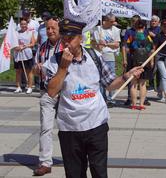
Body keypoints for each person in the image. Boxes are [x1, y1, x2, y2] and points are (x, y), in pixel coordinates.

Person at [44, 19, 143, 178]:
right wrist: (63, 68)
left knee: (99, 171)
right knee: (74, 173)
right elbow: (51, 91)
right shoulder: (54, 61)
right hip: (70, 128)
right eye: (64, 38)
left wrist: (127, 76)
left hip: (96, 124)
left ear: (81, 38)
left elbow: (110, 84)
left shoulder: (94, 56)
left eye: (71, 38)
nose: (67, 42)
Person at [33, 17, 63, 176]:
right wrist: (36, 69)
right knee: (45, 127)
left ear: (59, 29)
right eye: (47, 28)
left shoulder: (66, 45)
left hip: (65, 94)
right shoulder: (42, 47)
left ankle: (75, 157)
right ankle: (45, 162)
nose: (50, 31)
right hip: (47, 93)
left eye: (53, 28)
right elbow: (34, 67)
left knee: (69, 129)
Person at [122, 15, 151, 106]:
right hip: (136, 59)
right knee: (135, 81)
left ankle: (139, 102)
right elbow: (124, 46)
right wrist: (124, 59)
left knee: (139, 82)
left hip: (139, 59)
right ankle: (133, 100)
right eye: (134, 21)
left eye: (137, 21)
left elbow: (150, 47)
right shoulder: (130, 32)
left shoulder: (143, 32)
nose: (135, 23)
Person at [92, 14, 121, 105]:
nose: (114, 23)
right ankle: (102, 97)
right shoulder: (97, 29)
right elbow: (93, 43)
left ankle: (111, 98)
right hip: (100, 55)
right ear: (106, 20)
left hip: (110, 56)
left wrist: (106, 44)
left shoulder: (115, 30)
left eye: (114, 21)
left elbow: (116, 44)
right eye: (112, 21)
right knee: (100, 78)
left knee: (111, 78)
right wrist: (97, 44)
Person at [13, 18, 36, 94]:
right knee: (18, 71)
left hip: (27, 54)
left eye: (25, 24)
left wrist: (26, 46)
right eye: (22, 24)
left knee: (29, 71)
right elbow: (13, 44)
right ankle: (18, 87)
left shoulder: (30, 33)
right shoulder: (16, 33)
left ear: (27, 25)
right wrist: (17, 47)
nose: (23, 25)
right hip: (18, 54)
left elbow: (33, 43)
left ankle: (29, 87)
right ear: (20, 25)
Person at [148, 15, 161, 91]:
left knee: (158, 69)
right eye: (152, 21)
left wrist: (154, 35)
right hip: (149, 51)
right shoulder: (147, 29)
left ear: (158, 22)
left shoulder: (159, 30)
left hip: (158, 51)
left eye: (155, 21)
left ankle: (159, 86)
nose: (153, 22)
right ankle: (151, 85)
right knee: (150, 68)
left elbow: (161, 38)